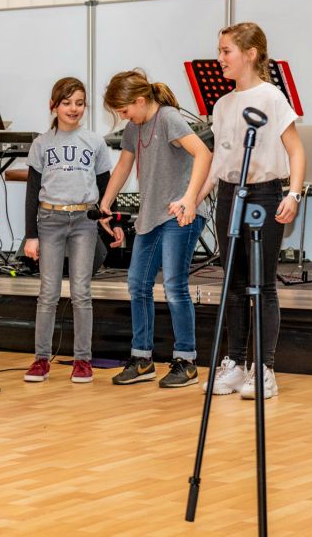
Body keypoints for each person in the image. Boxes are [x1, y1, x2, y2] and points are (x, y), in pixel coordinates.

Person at [196, 22, 304, 400]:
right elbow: (218, 163)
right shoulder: (222, 105)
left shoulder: (272, 98)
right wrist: (193, 199)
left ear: (251, 54)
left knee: (263, 284)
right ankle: (236, 364)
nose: (220, 58)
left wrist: (293, 195)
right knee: (234, 283)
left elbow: (296, 151)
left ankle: (265, 368)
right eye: (220, 50)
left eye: (226, 51)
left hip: (264, 195)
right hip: (230, 195)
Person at [99, 70, 213, 388]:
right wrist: (105, 202)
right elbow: (124, 165)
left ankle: (186, 361)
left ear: (139, 100)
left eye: (124, 110)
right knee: (138, 284)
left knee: (174, 286)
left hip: (179, 214)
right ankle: (142, 358)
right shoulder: (134, 127)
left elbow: (204, 154)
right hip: (151, 216)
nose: (124, 117)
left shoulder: (168, 118)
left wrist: (190, 199)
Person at [22, 78, 122, 383]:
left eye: (79, 103)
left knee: (81, 292)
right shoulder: (41, 143)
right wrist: (31, 235)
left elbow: (106, 186)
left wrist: (114, 222)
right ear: (53, 106)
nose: (73, 108)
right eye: (66, 103)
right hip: (50, 219)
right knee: (48, 293)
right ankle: (41, 359)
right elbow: (32, 191)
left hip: (84, 221)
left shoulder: (94, 141)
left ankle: (82, 360)